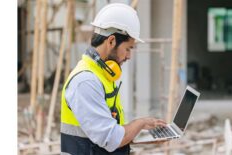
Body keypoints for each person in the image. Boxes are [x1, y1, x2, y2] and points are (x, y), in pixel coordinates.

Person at [61, 3, 167, 155]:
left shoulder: (101, 76)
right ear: (111, 41)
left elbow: (109, 131)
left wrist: (141, 134)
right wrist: (140, 123)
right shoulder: (85, 82)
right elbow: (111, 139)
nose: (129, 56)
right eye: (128, 48)